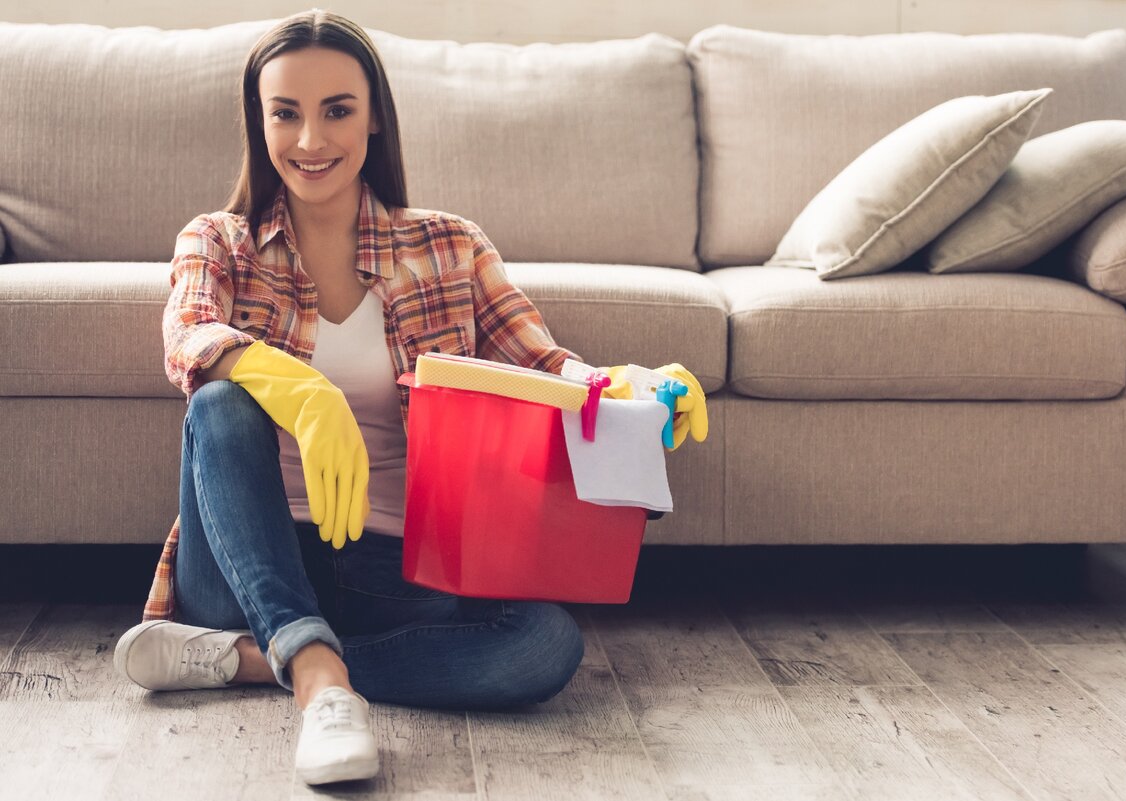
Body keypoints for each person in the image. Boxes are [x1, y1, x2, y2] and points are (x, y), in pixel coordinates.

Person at [110, 8, 707, 787]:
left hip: (391, 566)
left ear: (376, 120)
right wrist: (298, 390)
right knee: (221, 402)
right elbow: (187, 333)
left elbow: (545, 365)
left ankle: (263, 659)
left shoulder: (450, 246)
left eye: (337, 111)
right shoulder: (217, 240)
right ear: (260, 125)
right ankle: (323, 688)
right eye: (286, 114)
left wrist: (627, 388)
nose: (311, 140)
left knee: (545, 644)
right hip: (245, 565)